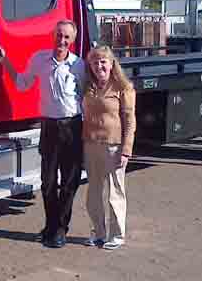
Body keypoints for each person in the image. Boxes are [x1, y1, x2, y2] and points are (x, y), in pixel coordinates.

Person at [0, 20, 86, 249]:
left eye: (66, 37)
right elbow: (22, 83)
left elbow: (88, 96)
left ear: (72, 41)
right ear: (52, 35)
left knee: (69, 183)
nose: (61, 41)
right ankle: (51, 225)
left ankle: (60, 230)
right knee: (47, 182)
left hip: (73, 128)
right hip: (49, 128)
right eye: (58, 35)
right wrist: (5, 60)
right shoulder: (39, 59)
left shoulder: (79, 65)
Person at [81, 45, 136, 250]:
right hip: (91, 144)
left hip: (114, 147)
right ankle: (99, 232)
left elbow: (130, 122)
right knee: (93, 194)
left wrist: (126, 149)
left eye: (103, 61)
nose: (99, 66)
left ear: (112, 63)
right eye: (95, 63)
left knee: (115, 192)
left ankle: (117, 235)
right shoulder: (89, 87)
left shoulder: (123, 87)